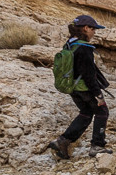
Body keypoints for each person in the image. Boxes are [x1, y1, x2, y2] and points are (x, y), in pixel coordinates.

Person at [46, 14, 112, 158]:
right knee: (102, 112)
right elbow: (88, 74)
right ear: (85, 28)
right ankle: (97, 146)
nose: (95, 32)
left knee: (87, 112)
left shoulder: (70, 44)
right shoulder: (84, 47)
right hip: (84, 88)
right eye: (93, 28)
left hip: (72, 87)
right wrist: (98, 95)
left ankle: (62, 141)